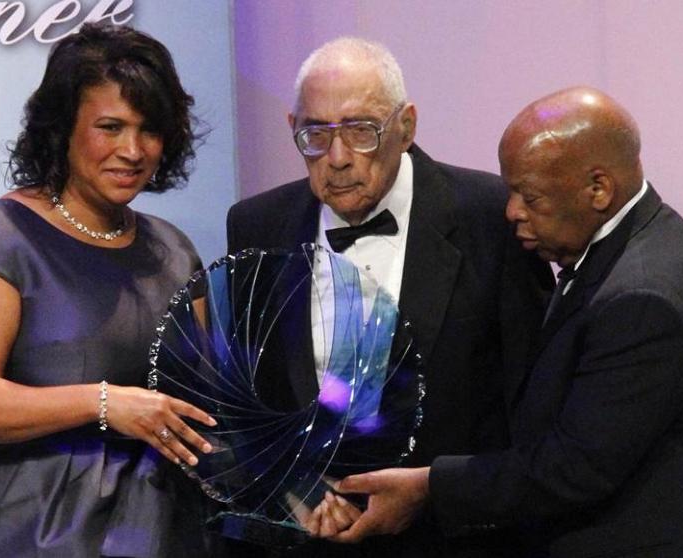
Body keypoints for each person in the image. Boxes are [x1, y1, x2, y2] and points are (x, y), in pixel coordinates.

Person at [326, 87, 683, 558]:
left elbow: (573, 469)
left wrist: (429, 485)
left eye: (529, 196)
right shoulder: (639, 245)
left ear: (599, 189)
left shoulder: (642, 298)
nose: (511, 211)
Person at [226, 37, 552, 557]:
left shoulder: (489, 216)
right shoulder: (256, 224)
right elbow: (252, 398)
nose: (336, 158)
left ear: (406, 126)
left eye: (361, 131)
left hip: (457, 540)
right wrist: (297, 488)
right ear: (292, 129)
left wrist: (438, 494)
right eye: (315, 133)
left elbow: (535, 404)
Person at [0, 23, 217, 557]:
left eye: (149, 130)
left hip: (175, 533)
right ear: (62, 128)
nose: (132, 150)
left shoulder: (174, 251)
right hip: (41, 535)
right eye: (110, 127)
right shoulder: (0, 238)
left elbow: (210, 404)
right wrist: (103, 404)